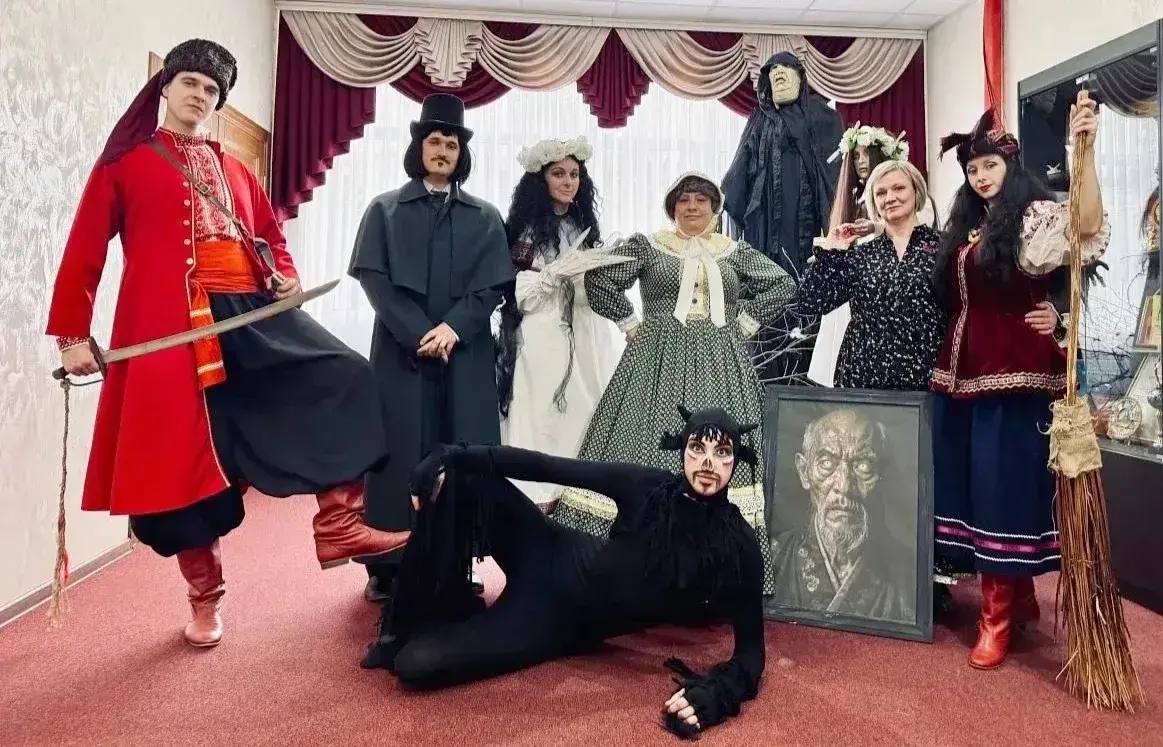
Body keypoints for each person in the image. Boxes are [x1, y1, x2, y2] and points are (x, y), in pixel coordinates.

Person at [45, 39, 410, 648]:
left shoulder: (237, 170)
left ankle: (339, 523)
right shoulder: (126, 163)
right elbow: (84, 249)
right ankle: (205, 598)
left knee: (344, 373)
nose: (200, 95)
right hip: (172, 330)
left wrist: (284, 274)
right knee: (182, 473)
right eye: (190, 83)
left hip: (250, 316)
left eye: (211, 90)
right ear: (165, 87)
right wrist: (72, 335)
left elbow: (269, 236)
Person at [362, 406, 766, 739]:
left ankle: (451, 614)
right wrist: (449, 454)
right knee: (460, 474)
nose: (708, 463)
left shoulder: (739, 546)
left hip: (553, 620)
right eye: (697, 447)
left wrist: (717, 696)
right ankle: (430, 600)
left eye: (722, 452)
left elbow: (751, 655)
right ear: (683, 451)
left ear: (736, 461)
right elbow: (548, 466)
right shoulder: (647, 488)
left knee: (415, 664)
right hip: (545, 546)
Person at [549, 172, 796, 593]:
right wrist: (630, 322)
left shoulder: (733, 252)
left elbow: (782, 283)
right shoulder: (649, 246)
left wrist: (744, 323)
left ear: (715, 209)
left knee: (718, 448)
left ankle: (716, 573)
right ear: (672, 208)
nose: (692, 206)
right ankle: (634, 566)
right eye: (684, 200)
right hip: (656, 358)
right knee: (649, 440)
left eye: (701, 199)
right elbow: (600, 278)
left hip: (721, 361)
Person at [931, 93, 1109, 669]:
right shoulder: (966, 225)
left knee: (1002, 489)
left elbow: (1084, 233)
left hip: (1015, 374)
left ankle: (997, 617)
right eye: (972, 169)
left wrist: (1086, 150)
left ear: (1011, 167)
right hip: (962, 375)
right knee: (972, 486)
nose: (981, 176)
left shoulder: (1034, 217)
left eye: (990, 165)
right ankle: (1020, 595)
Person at [349, 93, 514, 605]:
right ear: (418, 147)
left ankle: (457, 561)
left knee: (464, 452)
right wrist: (420, 333)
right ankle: (388, 565)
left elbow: (493, 286)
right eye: (434, 141)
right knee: (399, 452)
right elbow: (374, 279)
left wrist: (453, 329)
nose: (442, 150)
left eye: (451, 144)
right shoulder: (383, 209)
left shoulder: (485, 216)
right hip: (402, 355)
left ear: (462, 154)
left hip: (464, 354)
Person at [496, 136, 622, 509]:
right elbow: (517, 289)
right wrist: (552, 276)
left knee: (585, 403)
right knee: (541, 405)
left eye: (574, 174)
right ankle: (536, 495)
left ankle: (577, 494)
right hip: (542, 326)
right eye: (559, 174)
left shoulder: (583, 225)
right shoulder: (527, 229)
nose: (568, 182)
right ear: (542, 180)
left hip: (584, 325)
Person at [722, 51, 844, 383]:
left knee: (805, 303)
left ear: (801, 77)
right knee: (769, 304)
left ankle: (805, 384)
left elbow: (835, 173)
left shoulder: (822, 117)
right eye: (772, 71)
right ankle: (766, 385)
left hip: (808, 231)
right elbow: (740, 171)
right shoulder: (759, 119)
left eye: (785, 69)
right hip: (764, 233)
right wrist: (725, 198)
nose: (778, 74)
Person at [770, 409, 913, 621]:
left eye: (863, 465)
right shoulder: (774, 556)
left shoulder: (909, 573)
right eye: (827, 463)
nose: (844, 486)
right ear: (804, 471)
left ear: (881, 474)